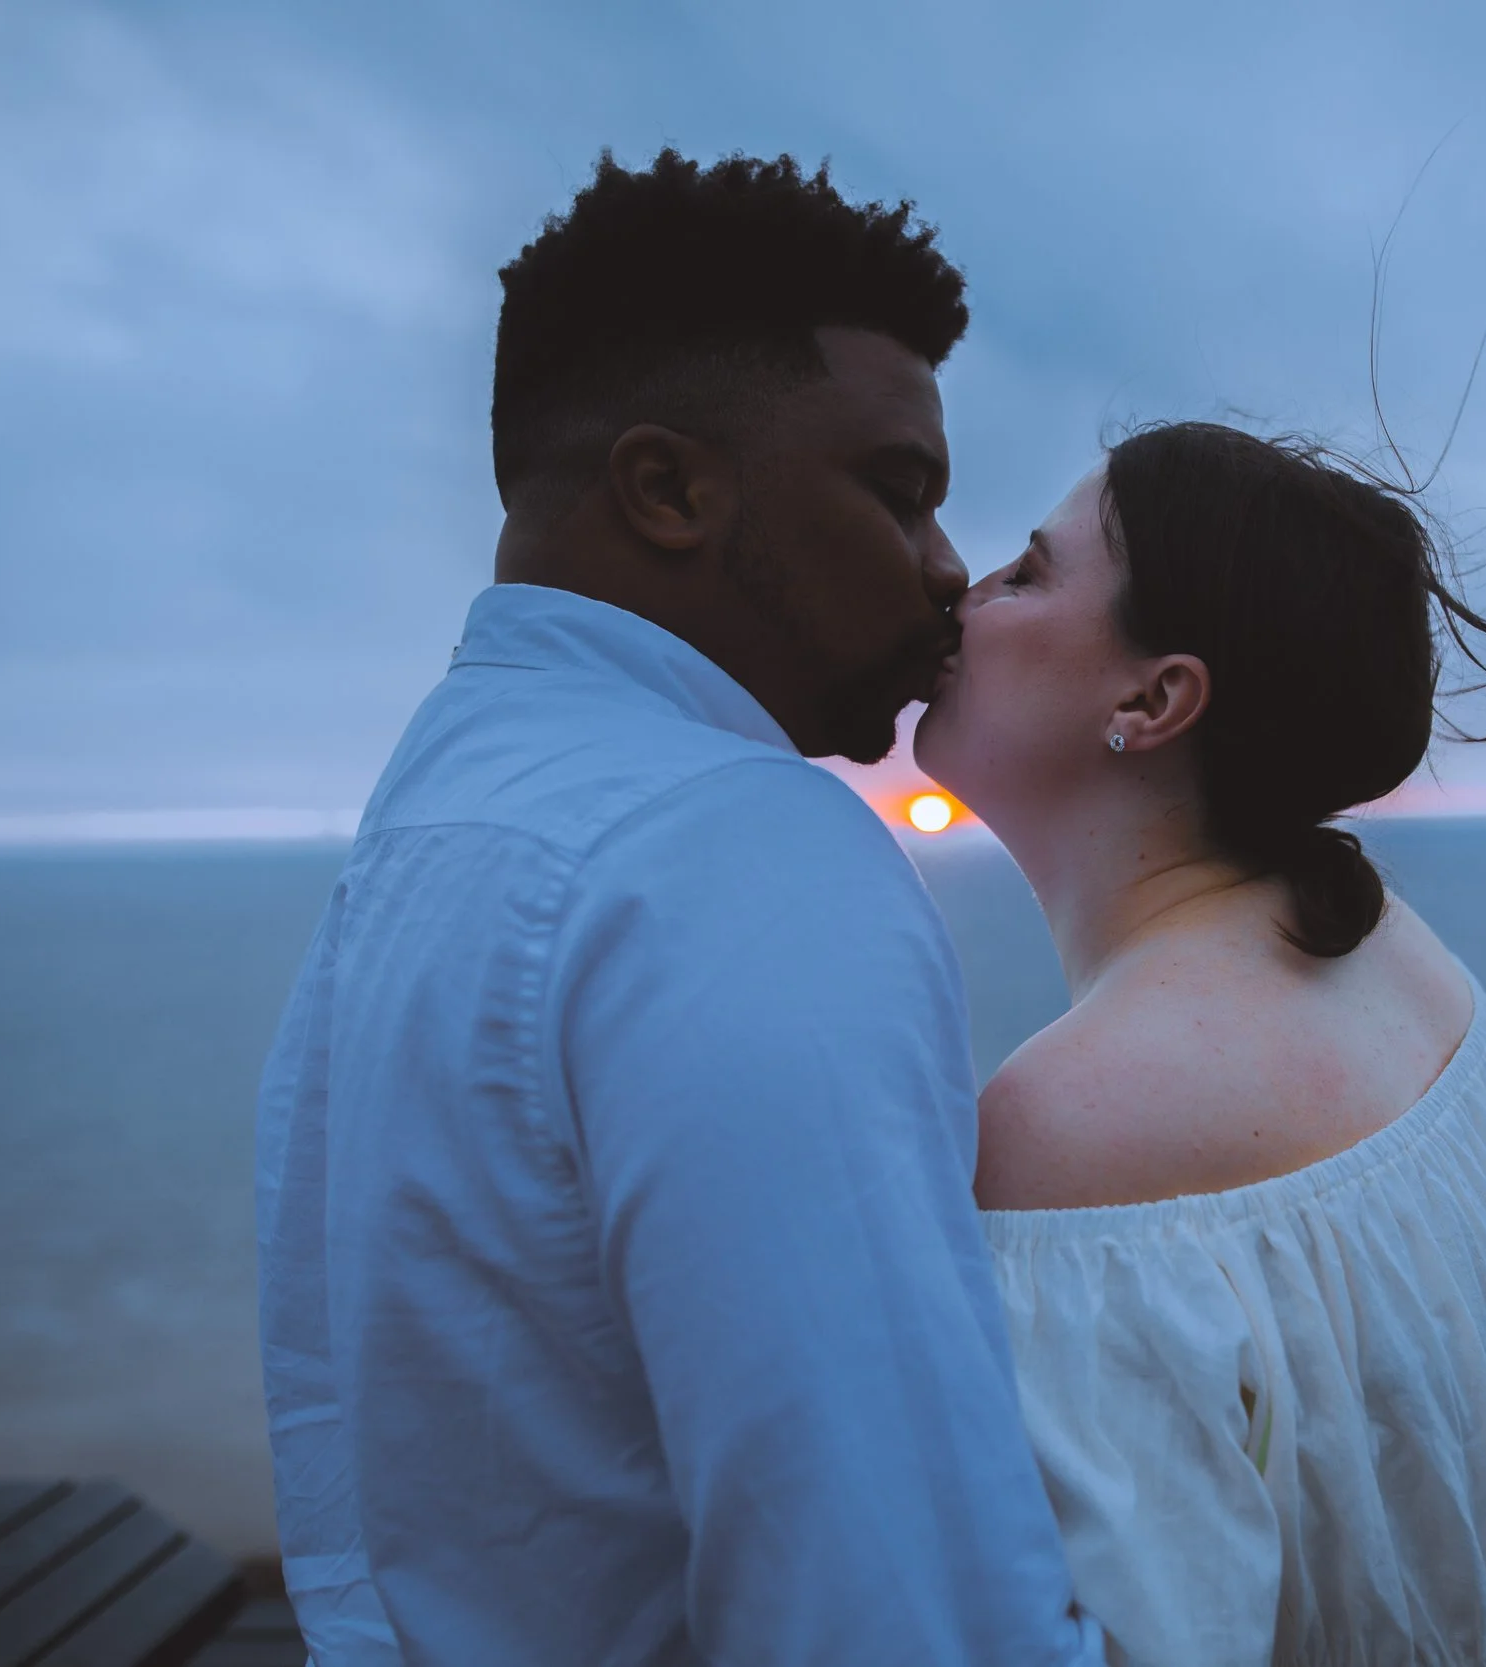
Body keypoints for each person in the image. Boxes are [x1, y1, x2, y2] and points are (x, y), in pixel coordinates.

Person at [254, 151, 1104, 1666]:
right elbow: (896, 1593)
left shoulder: (429, 825)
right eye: (898, 492)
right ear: (669, 490)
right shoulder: (737, 850)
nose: (945, 568)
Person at [914, 423, 1486, 1665]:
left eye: (1029, 572)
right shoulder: (1403, 963)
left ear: (1153, 699)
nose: (962, 590)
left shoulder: (1064, 1135)